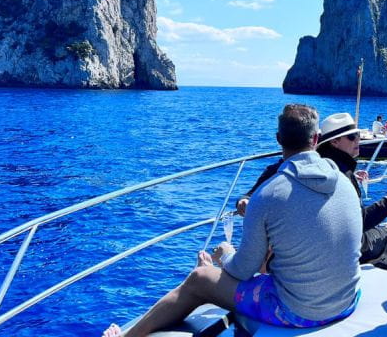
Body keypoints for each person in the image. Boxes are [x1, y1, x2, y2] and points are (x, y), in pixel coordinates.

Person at [102, 104, 362, 337]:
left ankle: (128, 336)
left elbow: (241, 271)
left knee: (199, 279)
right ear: (316, 139)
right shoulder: (345, 182)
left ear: (278, 139)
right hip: (347, 300)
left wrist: (224, 256)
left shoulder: (268, 194)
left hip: (300, 313)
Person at [316, 112, 387, 268]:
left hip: (325, 243)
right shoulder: (342, 176)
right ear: (335, 142)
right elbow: (357, 224)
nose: (358, 139)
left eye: (357, 134)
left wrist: (353, 177)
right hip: (347, 247)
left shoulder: (324, 166)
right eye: (351, 137)